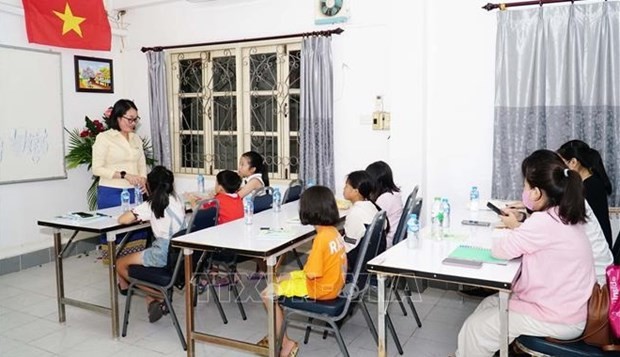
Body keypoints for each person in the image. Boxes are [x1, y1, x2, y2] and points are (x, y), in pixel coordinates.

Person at [455, 150, 595, 356]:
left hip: (558, 316)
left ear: (537, 192)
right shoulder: (564, 214)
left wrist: (508, 230)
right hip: (566, 306)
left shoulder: (545, 221)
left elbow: (501, 250)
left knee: (476, 328)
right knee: (489, 304)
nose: (524, 191)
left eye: (525, 186)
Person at [259, 186, 346, 357]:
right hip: (334, 284)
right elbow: (313, 270)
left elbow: (311, 274)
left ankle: (286, 343)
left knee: (267, 295)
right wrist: (291, 275)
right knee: (279, 281)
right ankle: (277, 333)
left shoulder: (320, 239)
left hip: (320, 289)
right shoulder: (333, 232)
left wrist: (291, 277)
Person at [116, 166, 186, 323]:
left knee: (120, 264)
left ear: (150, 185)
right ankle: (152, 298)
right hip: (179, 254)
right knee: (144, 256)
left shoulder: (152, 204)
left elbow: (123, 219)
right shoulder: (177, 199)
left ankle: (160, 295)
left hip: (162, 254)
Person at [558, 140, 613, 249]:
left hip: (597, 246)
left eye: (562, 163)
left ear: (573, 162)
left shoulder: (591, 186)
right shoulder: (588, 181)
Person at [92, 99, 147, 208]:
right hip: (111, 191)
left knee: (137, 224)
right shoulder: (104, 138)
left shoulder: (136, 138)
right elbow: (97, 169)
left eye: (136, 119)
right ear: (118, 118)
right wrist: (124, 175)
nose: (133, 123)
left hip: (135, 191)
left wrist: (143, 180)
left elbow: (141, 165)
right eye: (130, 119)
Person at [342, 170, 384, 272]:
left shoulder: (355, 214)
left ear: (356, 191)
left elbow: (348, 247)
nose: (344, 189)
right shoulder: (372, 206)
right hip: (373, 256)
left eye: (347, 186)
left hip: (357, 262)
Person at [365, 161, 403, 249]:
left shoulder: (384, 199)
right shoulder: (393, 194)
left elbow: (370, 222)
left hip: (386, 242)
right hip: (392, 238)